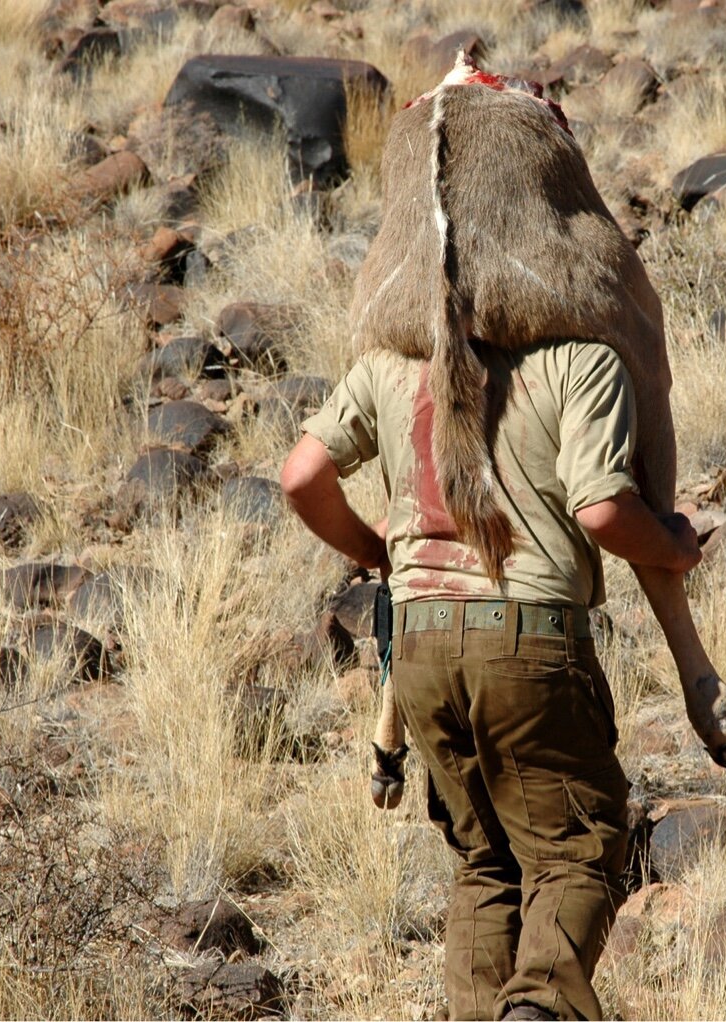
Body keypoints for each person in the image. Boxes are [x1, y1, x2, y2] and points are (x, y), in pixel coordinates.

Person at [281, 338, 703, 1021]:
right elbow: (602, 510)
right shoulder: (580, 359)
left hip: (418, 644)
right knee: (575, 847)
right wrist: (674, 545)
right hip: (529, 640)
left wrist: (381, 554)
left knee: (487, 862)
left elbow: (301, 475)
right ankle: (539, 1009)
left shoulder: (392, 362)